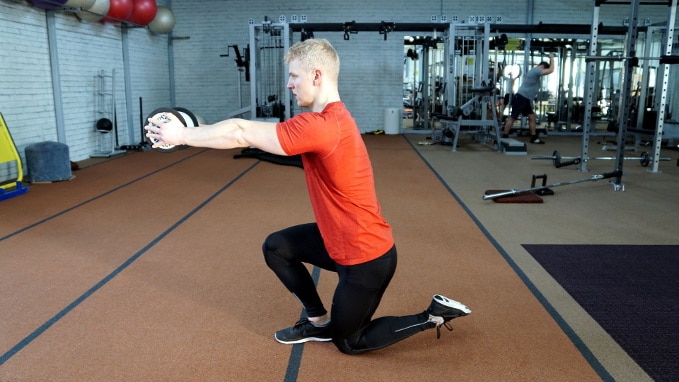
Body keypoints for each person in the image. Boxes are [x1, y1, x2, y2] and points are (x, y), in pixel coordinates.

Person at [145, 38, 470, 355]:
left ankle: (432, 316)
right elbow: (266, 145)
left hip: (365, 257)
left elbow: (239, 130)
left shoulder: (324, 125)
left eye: (294, 75)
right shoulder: (328, 122)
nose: (289, 84)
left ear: (317, 76)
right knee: (277, 247)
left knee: (350, 342)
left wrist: (183, 135)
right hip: (337, 240)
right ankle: (317, 321)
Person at [501, 54, 554, 144]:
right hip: (521, 97)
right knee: (513, 117)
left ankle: (534, 137)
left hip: (525, 98)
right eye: (544, 69)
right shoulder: (537, 70)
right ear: (543, 66)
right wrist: (552, 59)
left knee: (532, 117)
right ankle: (505, 135)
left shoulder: (533, 71)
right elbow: (551, 70)